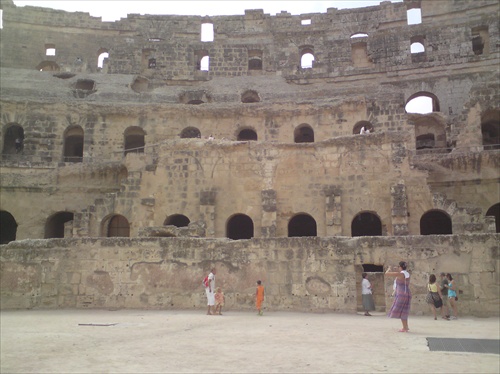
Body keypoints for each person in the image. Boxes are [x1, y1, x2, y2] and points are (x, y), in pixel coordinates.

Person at [386, 261, 412, 332]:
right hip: (407, 293)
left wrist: (389, 268)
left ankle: (405, 327)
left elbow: (386, 273)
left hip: (401, 294)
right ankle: (405, 326)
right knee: (404, 310)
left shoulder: (400, 274)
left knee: (400, 310)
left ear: (400, 267)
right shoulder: (407, 274)